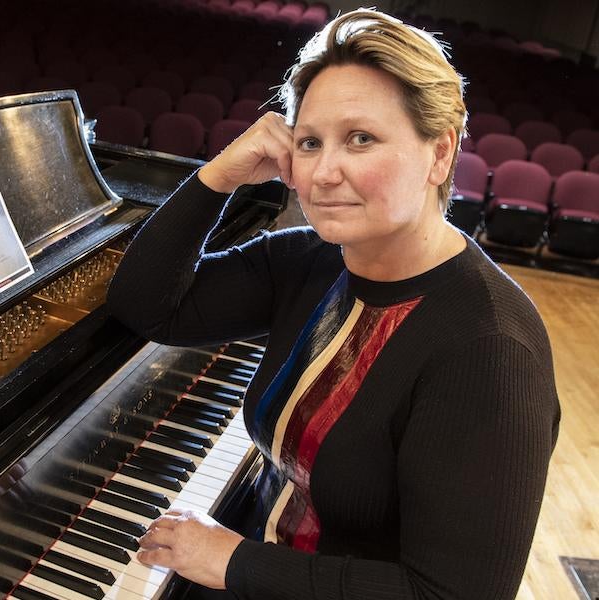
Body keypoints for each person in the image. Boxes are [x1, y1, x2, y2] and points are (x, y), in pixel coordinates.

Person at [107, 8, 560, 600]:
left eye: (361, 139)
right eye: (310, 142)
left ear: (440, 154)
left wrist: (236, 562)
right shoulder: (312, 260)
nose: (323, 172)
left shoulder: (490, 350)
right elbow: (147, 307)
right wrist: (218, 175)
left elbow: (450, 594)